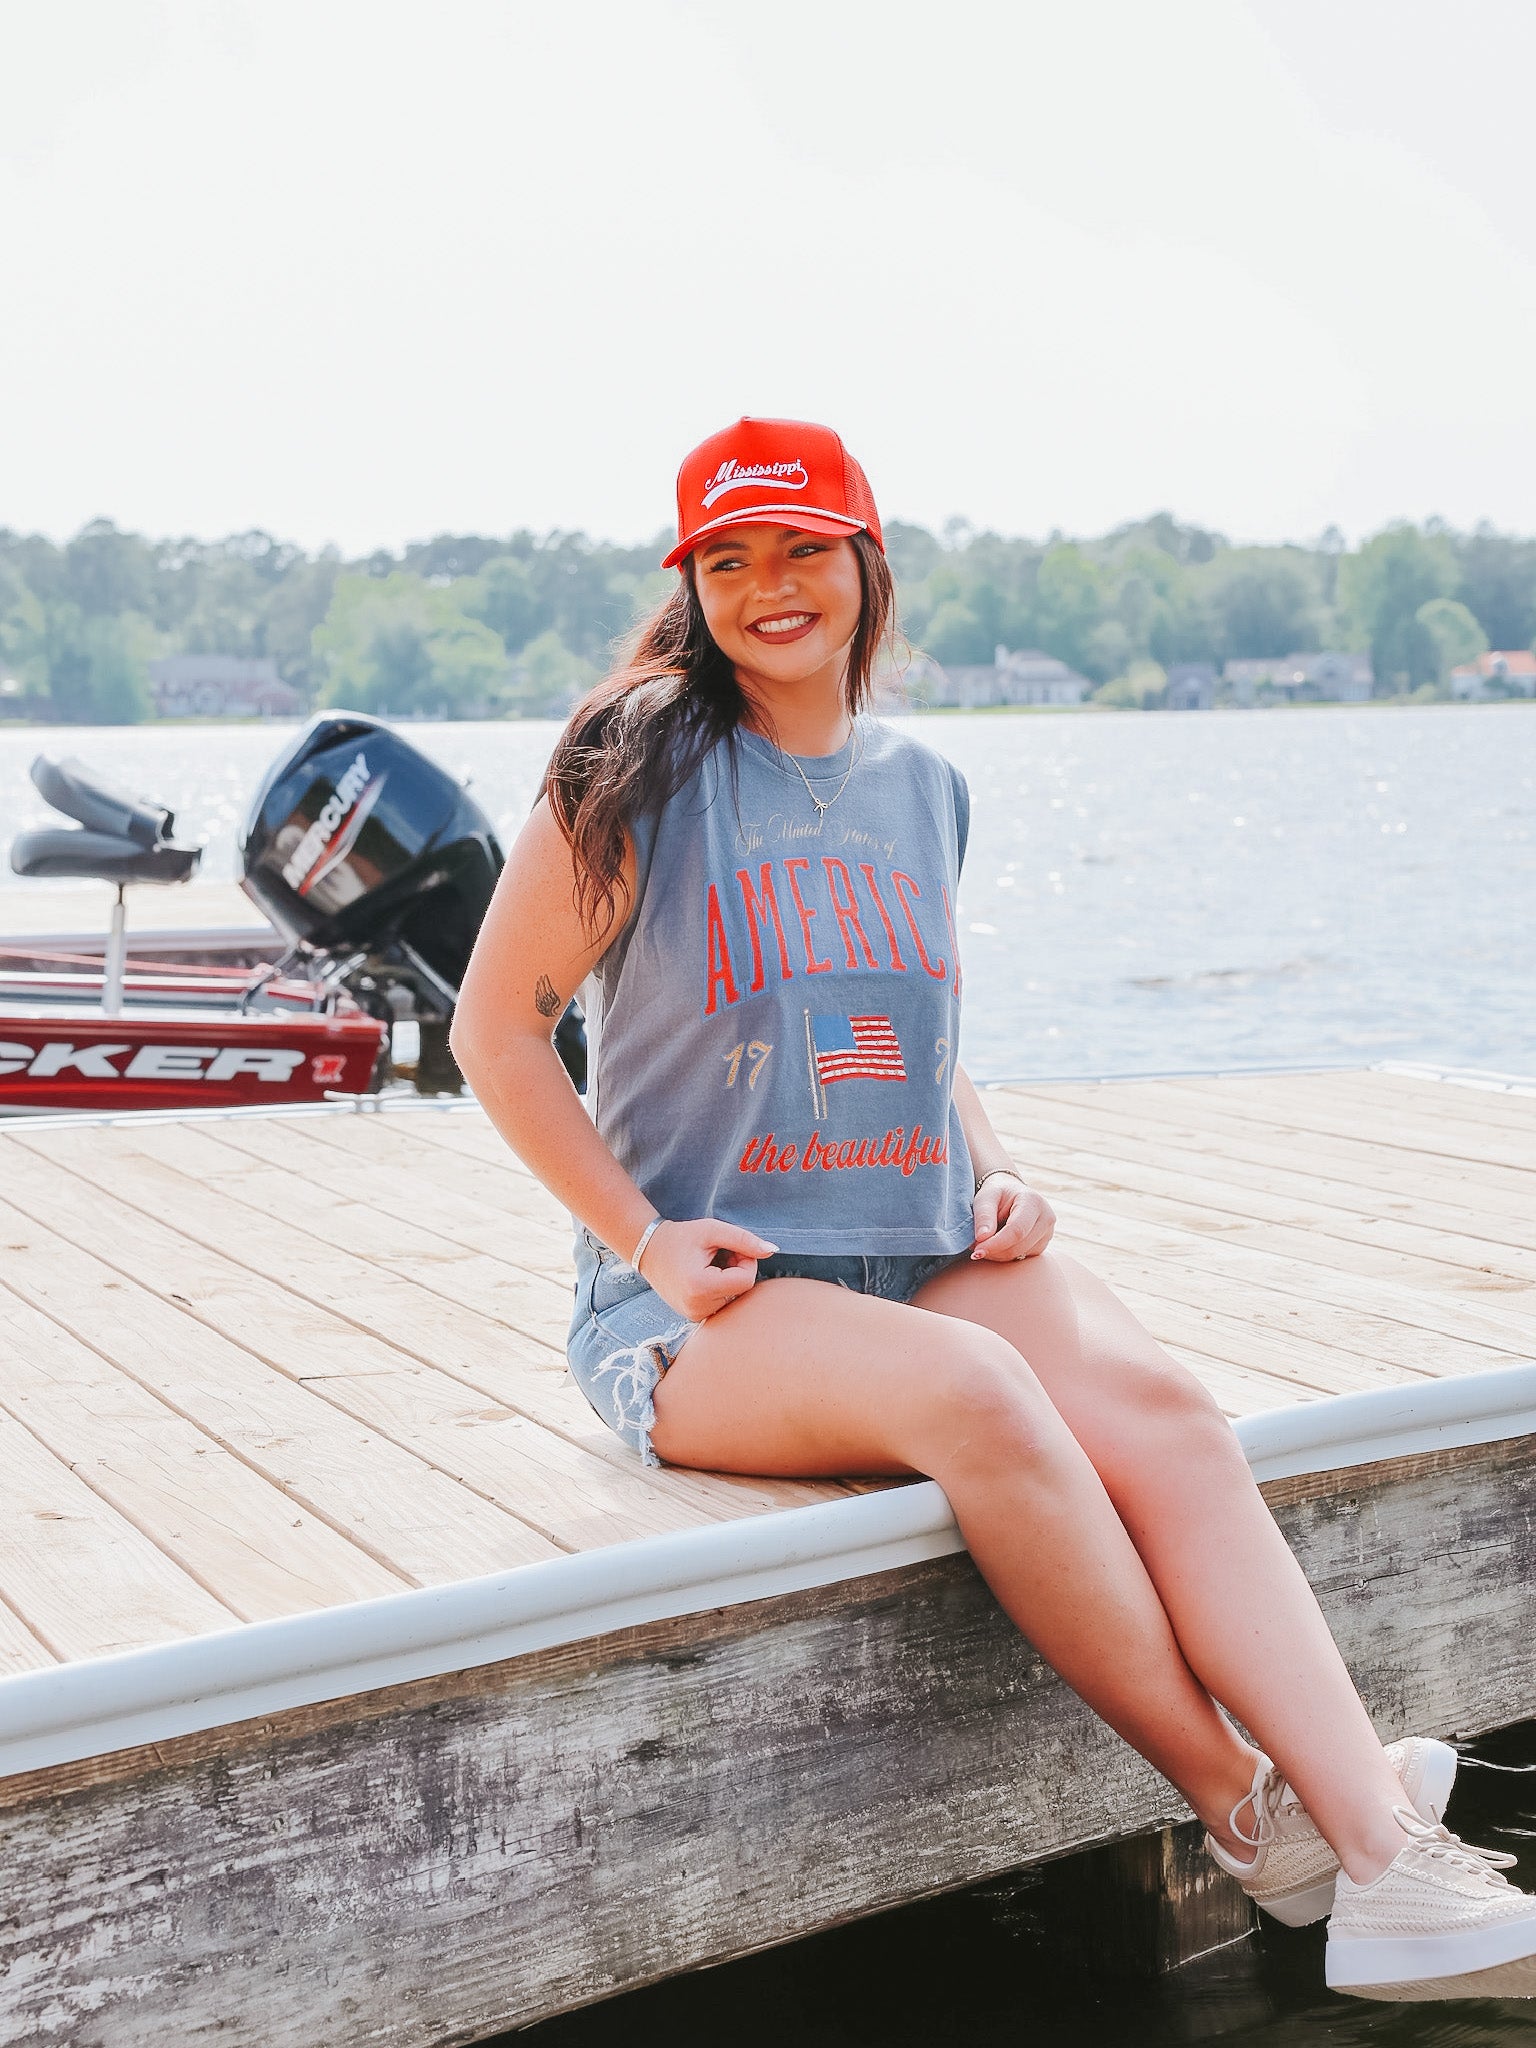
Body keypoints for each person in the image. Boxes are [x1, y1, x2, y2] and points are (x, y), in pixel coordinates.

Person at [452, 416, 1536, 2003]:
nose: (772, 588)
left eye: (803, 549)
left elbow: (906, 1029)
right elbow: (496, 1029)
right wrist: (641, 1240)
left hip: (915, 1240)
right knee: (985, 1395)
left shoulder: (924, 785)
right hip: (708, 1307)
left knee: (1159, 1403)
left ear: (864, 562)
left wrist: (994, 1158)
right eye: (731, 560)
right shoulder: (634, 762)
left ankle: (1370, 1836)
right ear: (693, 586)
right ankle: (1249, 1813)